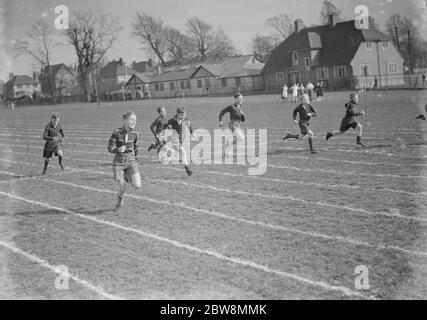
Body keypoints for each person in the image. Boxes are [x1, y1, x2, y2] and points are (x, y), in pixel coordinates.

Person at [108, 111, 142, 212]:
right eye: (131, 120)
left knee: (138, 185)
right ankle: (120, 199)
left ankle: (127, 175)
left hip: (131, 161)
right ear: (125, 120)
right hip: (118, 163)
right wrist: (117, 149)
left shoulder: (136, 134)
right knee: (122, 189)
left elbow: (136, 148)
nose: (134, 122)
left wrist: (135, 160)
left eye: (135, 120)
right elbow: (109, 147)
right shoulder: (117, 132)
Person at [167, 106, 194, 176]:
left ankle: (170, 151)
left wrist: (192, 133)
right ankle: (188, 169)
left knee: (180, 154)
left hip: (180, 139)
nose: (183, 116)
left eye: (184, 115)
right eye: (181, 115)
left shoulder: (185, 119)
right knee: (183, 153)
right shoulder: (172, 120)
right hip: (174, 139)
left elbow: (189, 125)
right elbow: (167, 123)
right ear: (177, 114)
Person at [219, 93, 246, 157]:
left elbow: (243, 120)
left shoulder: (239, 107)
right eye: (239, 98)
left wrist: (243, 114)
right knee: (241, 138)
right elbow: (222, 112)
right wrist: (220, 121)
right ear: (235, 99)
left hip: (238, 125)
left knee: (235, 139)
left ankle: (227, 152)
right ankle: (228, 144)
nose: (240, 99)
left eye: (241, 98)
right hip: (232, 124)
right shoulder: (231, 106)